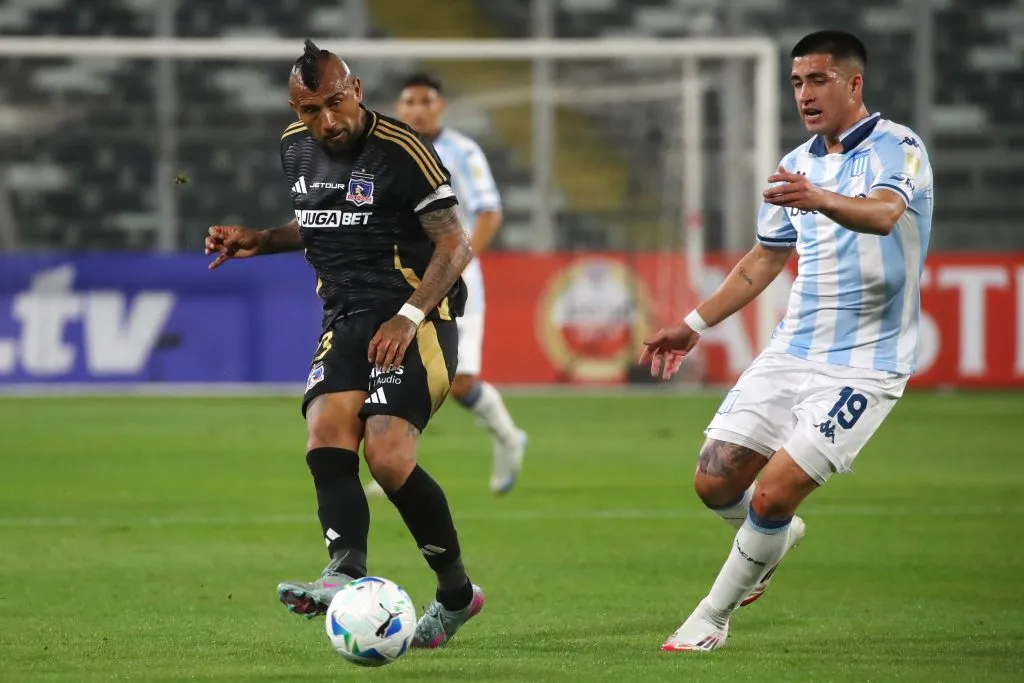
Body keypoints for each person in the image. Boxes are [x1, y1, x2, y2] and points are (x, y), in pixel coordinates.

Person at [640, 30, 933, 652]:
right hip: (793, 348)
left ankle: (711, 619)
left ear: (854, 84)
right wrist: (692, 325)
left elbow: (884, 215)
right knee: (715, 482)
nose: (804, 93)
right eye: (797, 81)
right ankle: (775, 535)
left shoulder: (898, 146)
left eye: (818, 79)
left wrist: (819, 199)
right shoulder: (795, 165)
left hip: (866, 365)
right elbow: (763, 261)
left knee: (771, 493)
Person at [204, 40, 485, 649]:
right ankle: (345, 571)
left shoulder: (404, 149)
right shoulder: (294, 148)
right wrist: (260, 238)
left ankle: (457, 595)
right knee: (327, 428)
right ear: (295, 109)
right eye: (310, 111)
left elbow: (455, 245)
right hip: (345, 317)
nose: (326, 122)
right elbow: (320, 220)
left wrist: (409, 317)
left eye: (335, 103)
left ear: (355, 90)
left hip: (418, 318)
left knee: (386, 455)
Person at [365, 73, 526, 496]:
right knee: (397, 366)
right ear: (399, 108)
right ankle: (394, 459)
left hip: (454, 281)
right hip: (403, 278)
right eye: (409, 101)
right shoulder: (387, 150)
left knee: (461, 383)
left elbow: (489, 212)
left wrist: (462, 260)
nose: (417, 109)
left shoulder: (462, 151)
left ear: (441, 106)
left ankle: (508, 437)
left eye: (426, 101)